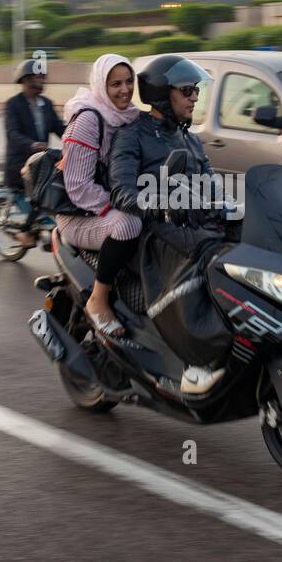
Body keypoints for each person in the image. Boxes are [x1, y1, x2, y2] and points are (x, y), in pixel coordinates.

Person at [108, 54, 229, 395]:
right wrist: (157, 203)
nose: (194, 97)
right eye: (187, 91)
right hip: (154, 232)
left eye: (196, 91)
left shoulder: (189, 139)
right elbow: (122, 191)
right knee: (200, 257)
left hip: (193, 225)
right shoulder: (132, 137)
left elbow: (212, 184)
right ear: (163, 94)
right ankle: (195, 361)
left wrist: (235, 204)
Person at [55, 53, 143, 336]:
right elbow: (78, 187)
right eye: (115, 84)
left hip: (111, 206)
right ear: (100, 85)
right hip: (80, 215)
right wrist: (124, 205)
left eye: (129, 81)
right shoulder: (89, 120)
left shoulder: (128, 117)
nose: (125, 90)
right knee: (129, 225)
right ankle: (98, 299)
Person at [2, 57, 64, 193]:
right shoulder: (13, 104)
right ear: (25, 80)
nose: (42, 80)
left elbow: (59, 128)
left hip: (41, 165)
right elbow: (13, 134)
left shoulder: (47, 104)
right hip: (20, 167)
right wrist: (33, 145)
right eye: (38, 77)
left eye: (43, 77)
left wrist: (76, 138)